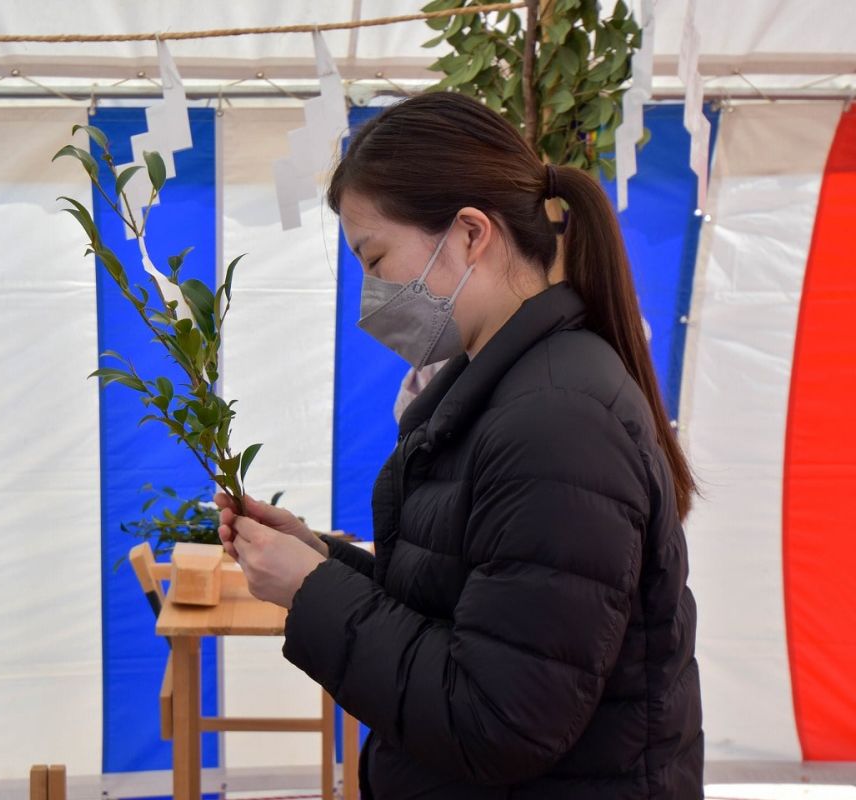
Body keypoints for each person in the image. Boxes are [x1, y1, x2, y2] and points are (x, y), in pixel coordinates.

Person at [215, 92, 703, 799]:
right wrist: (326, 560)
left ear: (471, 233)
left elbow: (497, 719)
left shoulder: (556, 423)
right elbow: (467, 602)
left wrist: (311, 592)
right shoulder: (504, 392)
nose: (369, 296)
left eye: (375, 258)